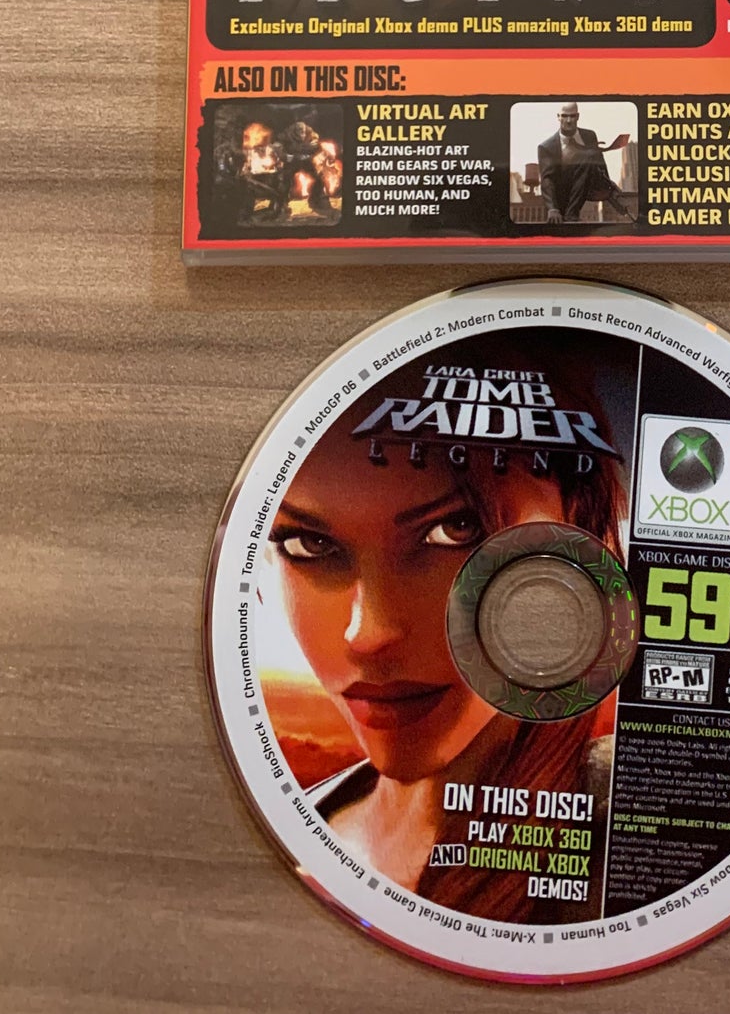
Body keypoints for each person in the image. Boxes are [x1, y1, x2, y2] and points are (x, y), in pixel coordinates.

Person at [265, 378, 626, 922]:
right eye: (309, 544)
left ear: (581, 544)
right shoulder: (305, 816)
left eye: (456, 530)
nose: (366, 635)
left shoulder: (642, 827)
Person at [536, 103, 634, 223]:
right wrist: (552, 209)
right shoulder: (546, 147)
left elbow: (600, 162)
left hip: (587, 186)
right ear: (558, 117)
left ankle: (573, 213)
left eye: (572, 116)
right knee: (585, 156)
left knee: (588, 157)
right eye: (564, 116)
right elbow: (547, 179)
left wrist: (609, 185)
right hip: (562, 191)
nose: (568, 120)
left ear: (578, 116)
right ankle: (571, 215)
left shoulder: (589, 136)